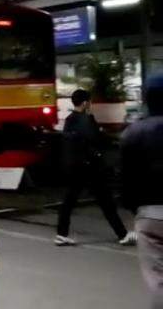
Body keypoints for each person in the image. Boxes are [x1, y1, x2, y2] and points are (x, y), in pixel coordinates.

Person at [54, 89, 135, 247]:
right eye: (89, 102)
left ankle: (61, 234)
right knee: (106, 201)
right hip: (89, 168)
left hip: (73, 167)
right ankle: (123, 234)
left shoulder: (69, 120)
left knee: (68, 202)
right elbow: (95, 140)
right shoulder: (86, 119)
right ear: (85, 103)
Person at [120, 74, 163, 308]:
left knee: (158, 280)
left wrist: (134, 208)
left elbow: (125, 179)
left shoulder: (133, 132)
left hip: (148, 215)